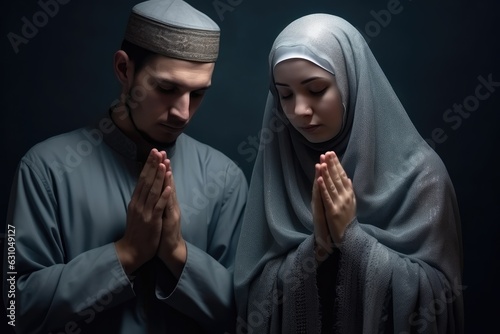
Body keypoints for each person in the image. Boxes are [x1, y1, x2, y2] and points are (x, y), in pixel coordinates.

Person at [2, 0, 248, 333]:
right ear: (123, 69)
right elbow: (15, 310)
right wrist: (126, 252)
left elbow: (247, 316)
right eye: (166, 88)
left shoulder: (225, 179)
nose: (183, 112)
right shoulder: (44, 170)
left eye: (198, 93)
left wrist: (177, 253)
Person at [233, 13, 464, 333]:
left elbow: (440, 303)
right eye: (285, 95)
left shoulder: (421, 176)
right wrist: (316, 249)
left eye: (315, 89)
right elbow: (250, 298)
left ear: (351, 82)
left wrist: (352, 238)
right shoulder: (280, 165)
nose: (299, 110)